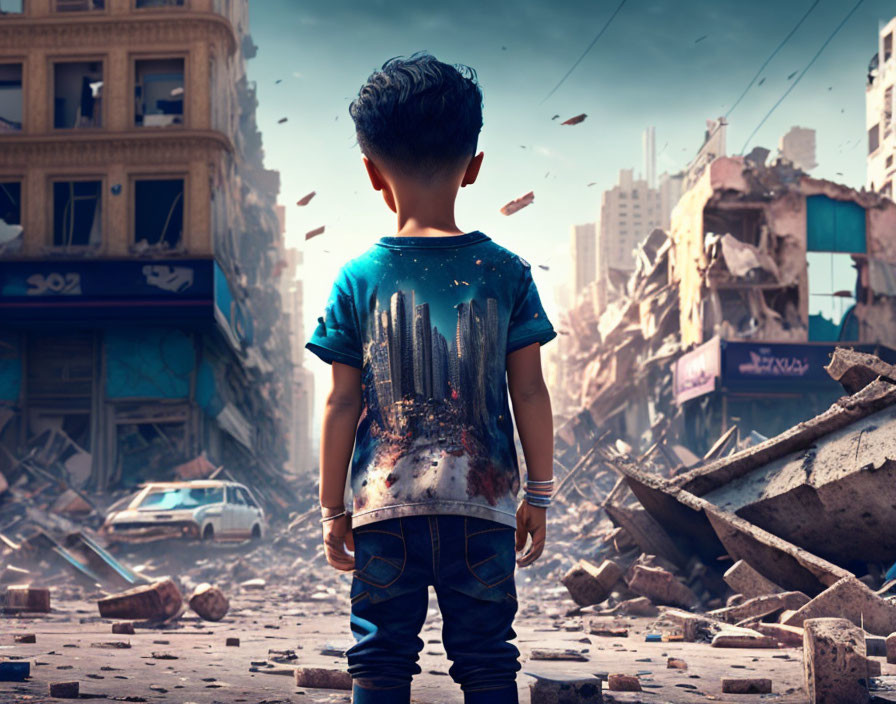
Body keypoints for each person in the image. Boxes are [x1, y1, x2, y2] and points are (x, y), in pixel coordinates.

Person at [306, 50, 556, 704]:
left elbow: (340, 403)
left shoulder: (356, 279)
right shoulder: (508, 272)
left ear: (370, 172)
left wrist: (333, 508)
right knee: (487, 656)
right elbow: (528, 390)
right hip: (485, 508)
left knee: (380, 658)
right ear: (474, 167)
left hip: (384, 511)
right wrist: (542, 494)